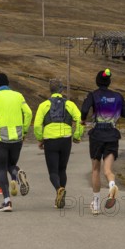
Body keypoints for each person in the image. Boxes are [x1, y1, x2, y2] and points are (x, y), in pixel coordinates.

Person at [80, 68, 125, 215]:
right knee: (108, 170)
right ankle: (111, 185)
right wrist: (116, 110)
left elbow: (84, 109)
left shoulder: (93, 95)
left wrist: (83, 119)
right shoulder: (118, 96)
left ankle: (96, 204)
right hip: (112, 135)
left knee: (95, 170)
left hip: (97, 135)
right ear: (109, 82)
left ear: (97, 81)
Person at [0, 73, 33, 212]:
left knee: (1, 167)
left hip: (2, 138)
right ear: (8, 83)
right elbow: (28, 113)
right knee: (11, 165)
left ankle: (7, 202)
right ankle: (17, 174)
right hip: (17, 137)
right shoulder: (18, 95)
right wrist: (23, 131)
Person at [34, 79, 84, 209]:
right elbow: (80, 119)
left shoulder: (43, 105)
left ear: (50, 90)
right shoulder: (70, 104)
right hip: (66, 139)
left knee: (53, 171)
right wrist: (77, 136)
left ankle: (58, 189)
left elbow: (37, 125)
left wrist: (40, 139)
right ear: (61, 90)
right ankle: (61, 196)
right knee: (62, 169)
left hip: (50, 140)